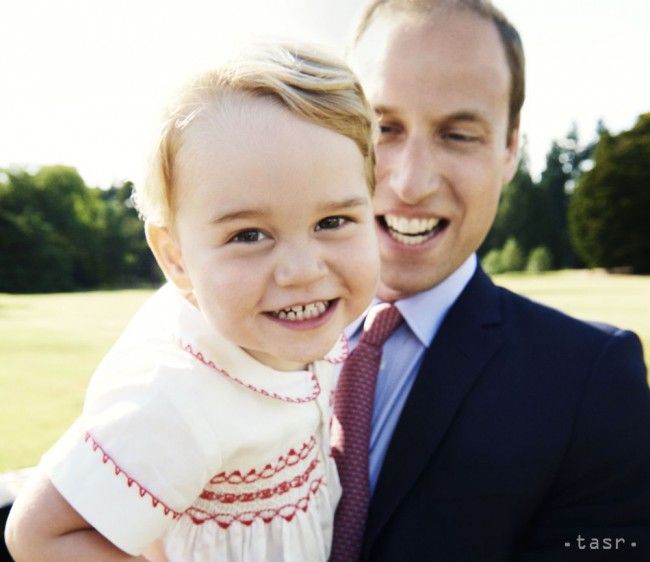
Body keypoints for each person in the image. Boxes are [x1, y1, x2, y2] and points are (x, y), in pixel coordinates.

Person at [4, 44, 380, 562]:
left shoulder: (284, 334)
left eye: (332, 223)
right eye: (249, 235)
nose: (302, 270)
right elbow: (40, 534)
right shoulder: (180, 394)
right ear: (176, 259)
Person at [332, 0, 650, 560]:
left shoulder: (592, 384)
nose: (410, 182)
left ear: (509, 148)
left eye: (458, 135)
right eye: (383, 127)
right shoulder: (224, 335)